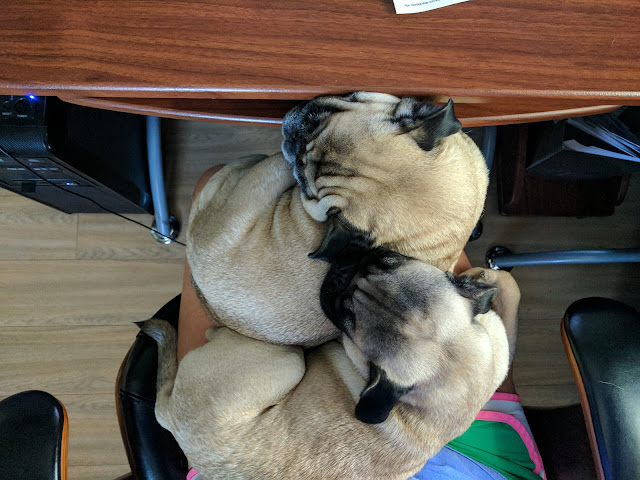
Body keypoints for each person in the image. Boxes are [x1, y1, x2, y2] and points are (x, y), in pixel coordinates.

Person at [177, 166, 545, 480]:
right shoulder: (471, 346)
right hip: (473, 452)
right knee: (407, 199)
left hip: (247, 441)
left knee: (217, 190)